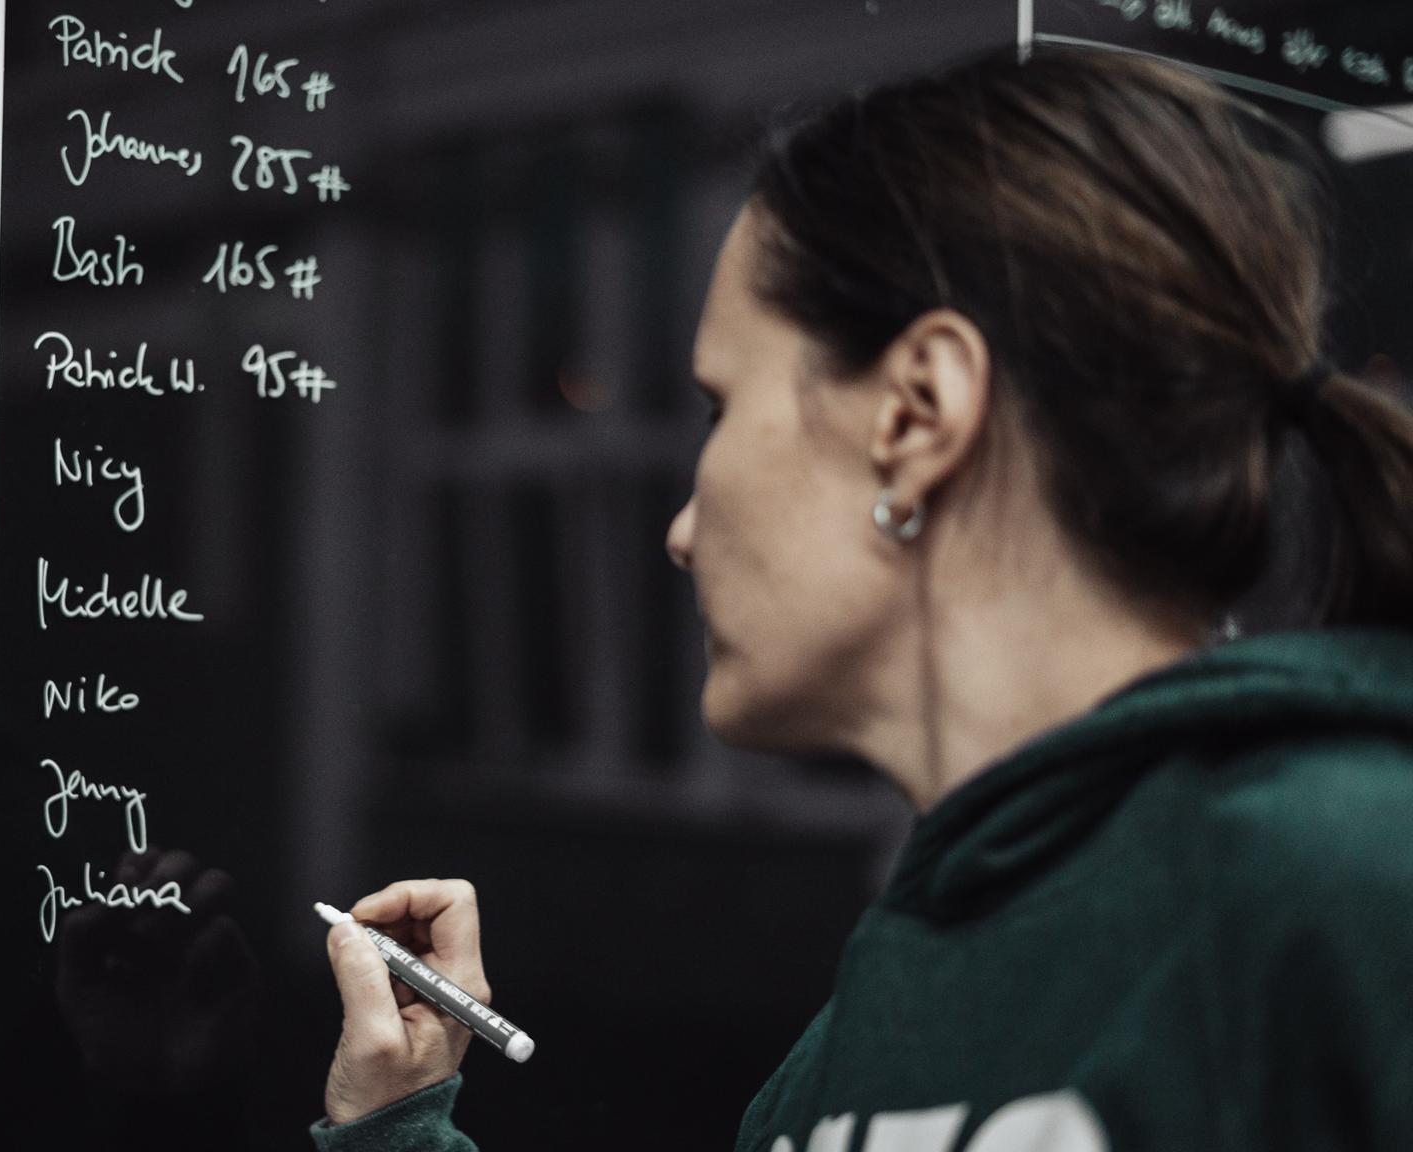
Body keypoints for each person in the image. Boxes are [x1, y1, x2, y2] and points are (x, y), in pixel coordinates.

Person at [312, 47, 1413, 1151]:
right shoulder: (845, 1048)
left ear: (917, 415)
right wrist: (395, 1126)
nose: (680, 533)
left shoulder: (1354, 879)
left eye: (720, 408)